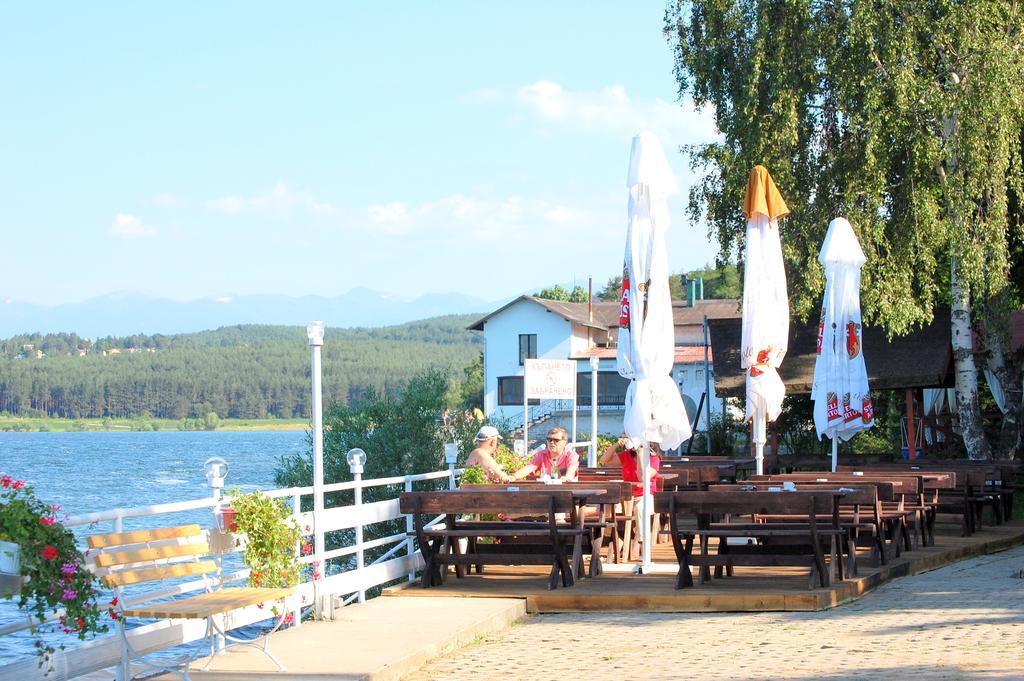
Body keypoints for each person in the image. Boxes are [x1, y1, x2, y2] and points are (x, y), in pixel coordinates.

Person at [511, 427, 579, 481]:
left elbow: (572, 468)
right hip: (546, 491)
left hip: (566, 491)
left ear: (564, 442)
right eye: (549, 439)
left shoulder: (571, 455)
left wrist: (566, 477)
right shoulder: (542, 454)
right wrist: (514, 477)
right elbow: (529, 468)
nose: (552, 442)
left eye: (556, 440)